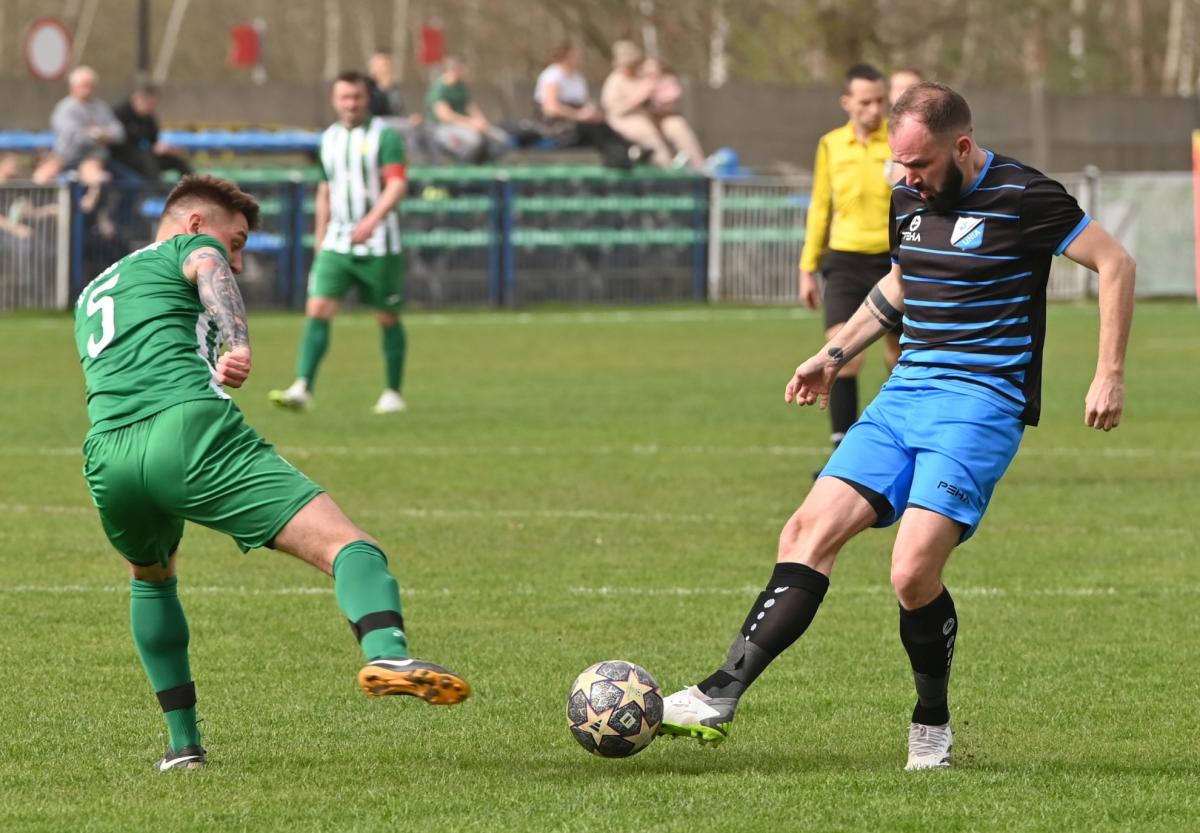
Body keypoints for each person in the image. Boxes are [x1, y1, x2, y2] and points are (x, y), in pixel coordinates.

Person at [660, 82, 1134, 770]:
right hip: (904, 394)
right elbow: (901, 282)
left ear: (961, 147)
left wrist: (1108, 372)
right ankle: (719, 693)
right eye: (900, 164)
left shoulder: (1025, 196)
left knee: (911, 572)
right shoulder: (907, 195)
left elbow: (1116, 263)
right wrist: (833, 355)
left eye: (919, 164)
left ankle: (931, 724)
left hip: (980, 404)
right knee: (804, 532)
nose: (905, 177)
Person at [73, 174, 470, 772]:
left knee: (152, 580)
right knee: (351, 547)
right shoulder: (190, 247)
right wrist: (236, 341)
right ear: (195, 223)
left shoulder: (92, 290)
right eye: (235, 242)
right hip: (187, 433)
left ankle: (183, 747)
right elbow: (209, 267)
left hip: (108, 456)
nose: (236, 260)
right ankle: (387, 651)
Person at [269, 71, 410, 414]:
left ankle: (393, 392)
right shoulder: (329, 139)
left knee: (386, 315)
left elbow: (396, 184)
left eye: (356, 97)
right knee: (317, 308)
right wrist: (320, 241)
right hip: (337, 243)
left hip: (379, 244)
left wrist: (371, 220)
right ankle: (303, 386)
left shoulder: (384, 136)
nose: (351, 104)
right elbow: (325, 191)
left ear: (367, 98)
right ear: (335, 100)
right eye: (344, 97)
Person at [798, 64, 901, 471]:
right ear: (847, 103)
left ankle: (900, 442)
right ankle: (843, 453)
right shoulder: (830, 145)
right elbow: (820, 205)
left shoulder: (898, 139)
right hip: (844, 260)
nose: (874, 109)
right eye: (865, 102)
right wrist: (807, 267)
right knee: (842, 352)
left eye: (880, 101)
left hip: (893, 260)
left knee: (900, 356)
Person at [600, 41, 704, 170]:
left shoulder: (641, 77)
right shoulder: (615, 81)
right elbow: (614, 110)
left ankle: (699, 165)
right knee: (646, 131)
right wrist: (638, 98)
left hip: (651, 116)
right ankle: (666, 168)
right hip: (627, 120)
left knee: (676, 124)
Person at [534, 41, 636, 168]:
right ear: (566, 54)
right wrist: (579, 115)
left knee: (601, 124)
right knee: (593, 127)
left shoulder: (577, 77)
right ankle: (618, 156)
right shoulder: (553, 75)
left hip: (578, 118)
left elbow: (585, 102)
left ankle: (629, 150)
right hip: (555, 123)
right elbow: (551, 108)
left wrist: (591, 112)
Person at [426, 56, 510, 164]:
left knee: (502, 139)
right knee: (473, 141)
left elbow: (471, 107)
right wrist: (471, 123)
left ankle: (484, 167)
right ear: (452, 70)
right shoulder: (439, 89)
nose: (463, 73)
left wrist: (482, 122)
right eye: (460, 70)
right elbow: (445, 116)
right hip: (443, 128)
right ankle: (464, 168)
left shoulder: (460, 87)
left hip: (465, 125)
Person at [112, 83, 193, 179]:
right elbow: (119, 142)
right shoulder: (120, 113)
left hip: (145, 154)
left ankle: (192, 184)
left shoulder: (148, 116)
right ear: (139, 99)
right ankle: (156, 187)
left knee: (177, 161)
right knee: (148, 161)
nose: (151, 108)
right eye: (150, 104)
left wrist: (164, 148)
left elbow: (153, 139)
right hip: (122, 155)